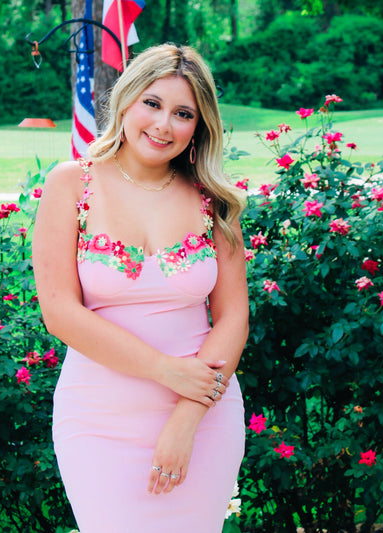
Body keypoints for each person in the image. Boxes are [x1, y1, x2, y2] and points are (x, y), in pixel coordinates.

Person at [32, 43, 248, 533]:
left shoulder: (212, 200)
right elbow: (60, 312)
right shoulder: (72, 184)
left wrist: (187, 416)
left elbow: (234, 318)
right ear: (126, 100)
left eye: (183, 113)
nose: (163, 125)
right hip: (98, 417)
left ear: (200, 125)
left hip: (203, 413)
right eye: (152, 103)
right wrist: (166, 372)